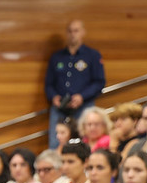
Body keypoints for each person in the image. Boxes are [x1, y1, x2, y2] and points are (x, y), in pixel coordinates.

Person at [44, 19, 106, 149]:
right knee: (55, 143)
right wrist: (54, 97)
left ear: (83, 32)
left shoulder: (92, 55)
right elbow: (49, 84)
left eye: (76, 31)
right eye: (70, 31)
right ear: (66, 33)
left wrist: (82, 96)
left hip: (84, 106)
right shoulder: (57, 57)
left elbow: (99, 82)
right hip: (60, 107)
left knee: (85, 142)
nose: (73, 34)